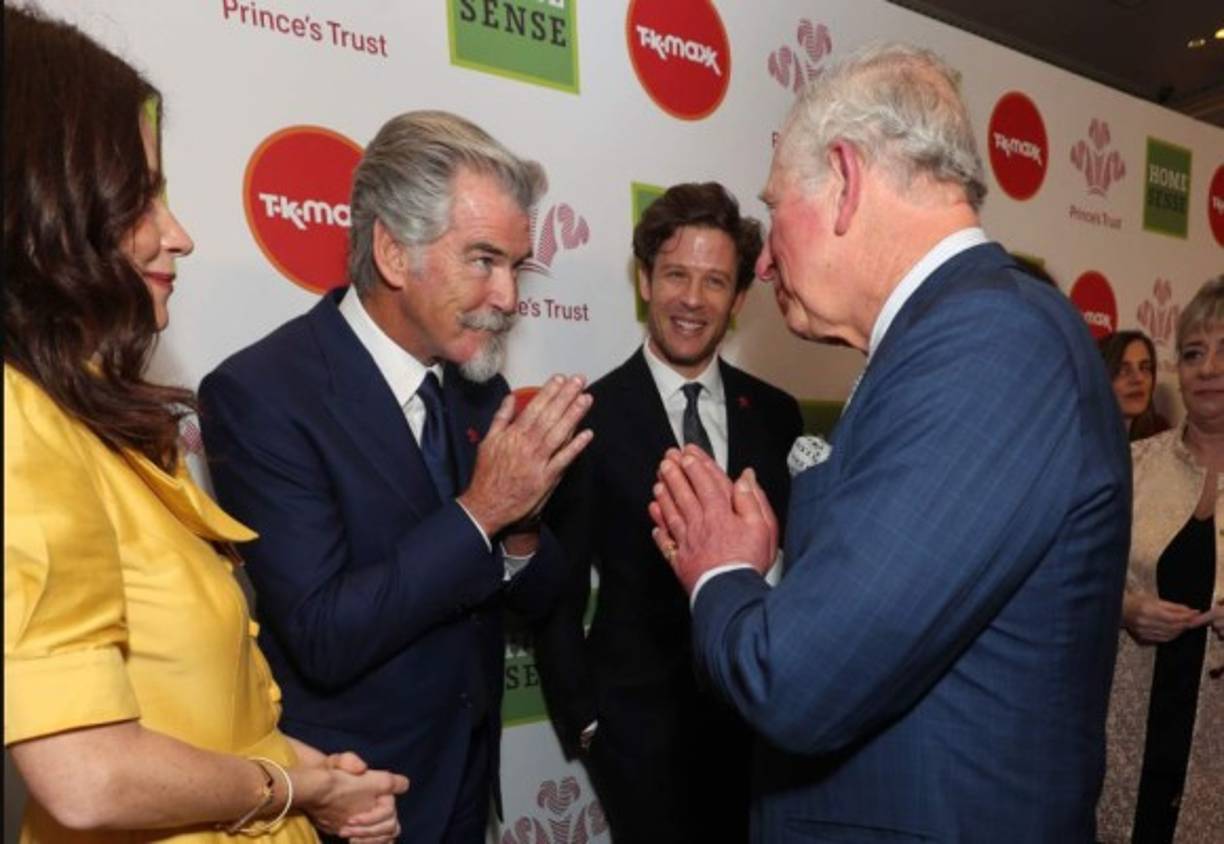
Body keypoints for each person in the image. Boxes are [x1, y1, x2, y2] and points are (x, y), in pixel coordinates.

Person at [649, 43, 1131, 841]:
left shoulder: (990, 344)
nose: (763, 261)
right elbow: (894, 615)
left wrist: (723, 570)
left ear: (845, 180)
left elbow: (797, 682)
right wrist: (774, 570)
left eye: (774, 213)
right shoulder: (947, 340)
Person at [3, 7, 407, 843]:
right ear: (49, 201)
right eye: (140, 199)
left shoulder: (94, 415)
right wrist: (291, 790)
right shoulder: (20, 422)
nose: (178, 235)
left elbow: (198, 719)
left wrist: (317, 776)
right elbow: (89, 775)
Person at [199, 110, 593, 844]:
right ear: (390, 250)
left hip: (468, 785)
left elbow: (545, 595)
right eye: (483, 260)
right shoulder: (264, 394)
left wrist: (524, 521)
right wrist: (481, 511)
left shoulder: (477, 387)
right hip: (352, 800)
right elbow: (322, 632)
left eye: (516, 266)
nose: (508, 298)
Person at [535, 182, 802, 843]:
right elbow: (557, 590)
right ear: (645, 280)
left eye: (715, 282)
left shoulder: (775, 413)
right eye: (676, 274)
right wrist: (586, 720)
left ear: (739, 299)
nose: (692, 298)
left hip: (761, 725)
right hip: (636, 735)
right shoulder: (590, 419)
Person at [1097, 278, 1224, 844]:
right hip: (1126, 745)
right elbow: (1074, 582)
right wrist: (1125, 608)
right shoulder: (1131, 467)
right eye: (1194, 353)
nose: (1208, 368)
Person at [1098, 330, 1171, 441]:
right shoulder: (1077, 441)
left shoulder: (1162, 436)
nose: (1138, 379)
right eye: (1123, 370)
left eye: (1145, 368)